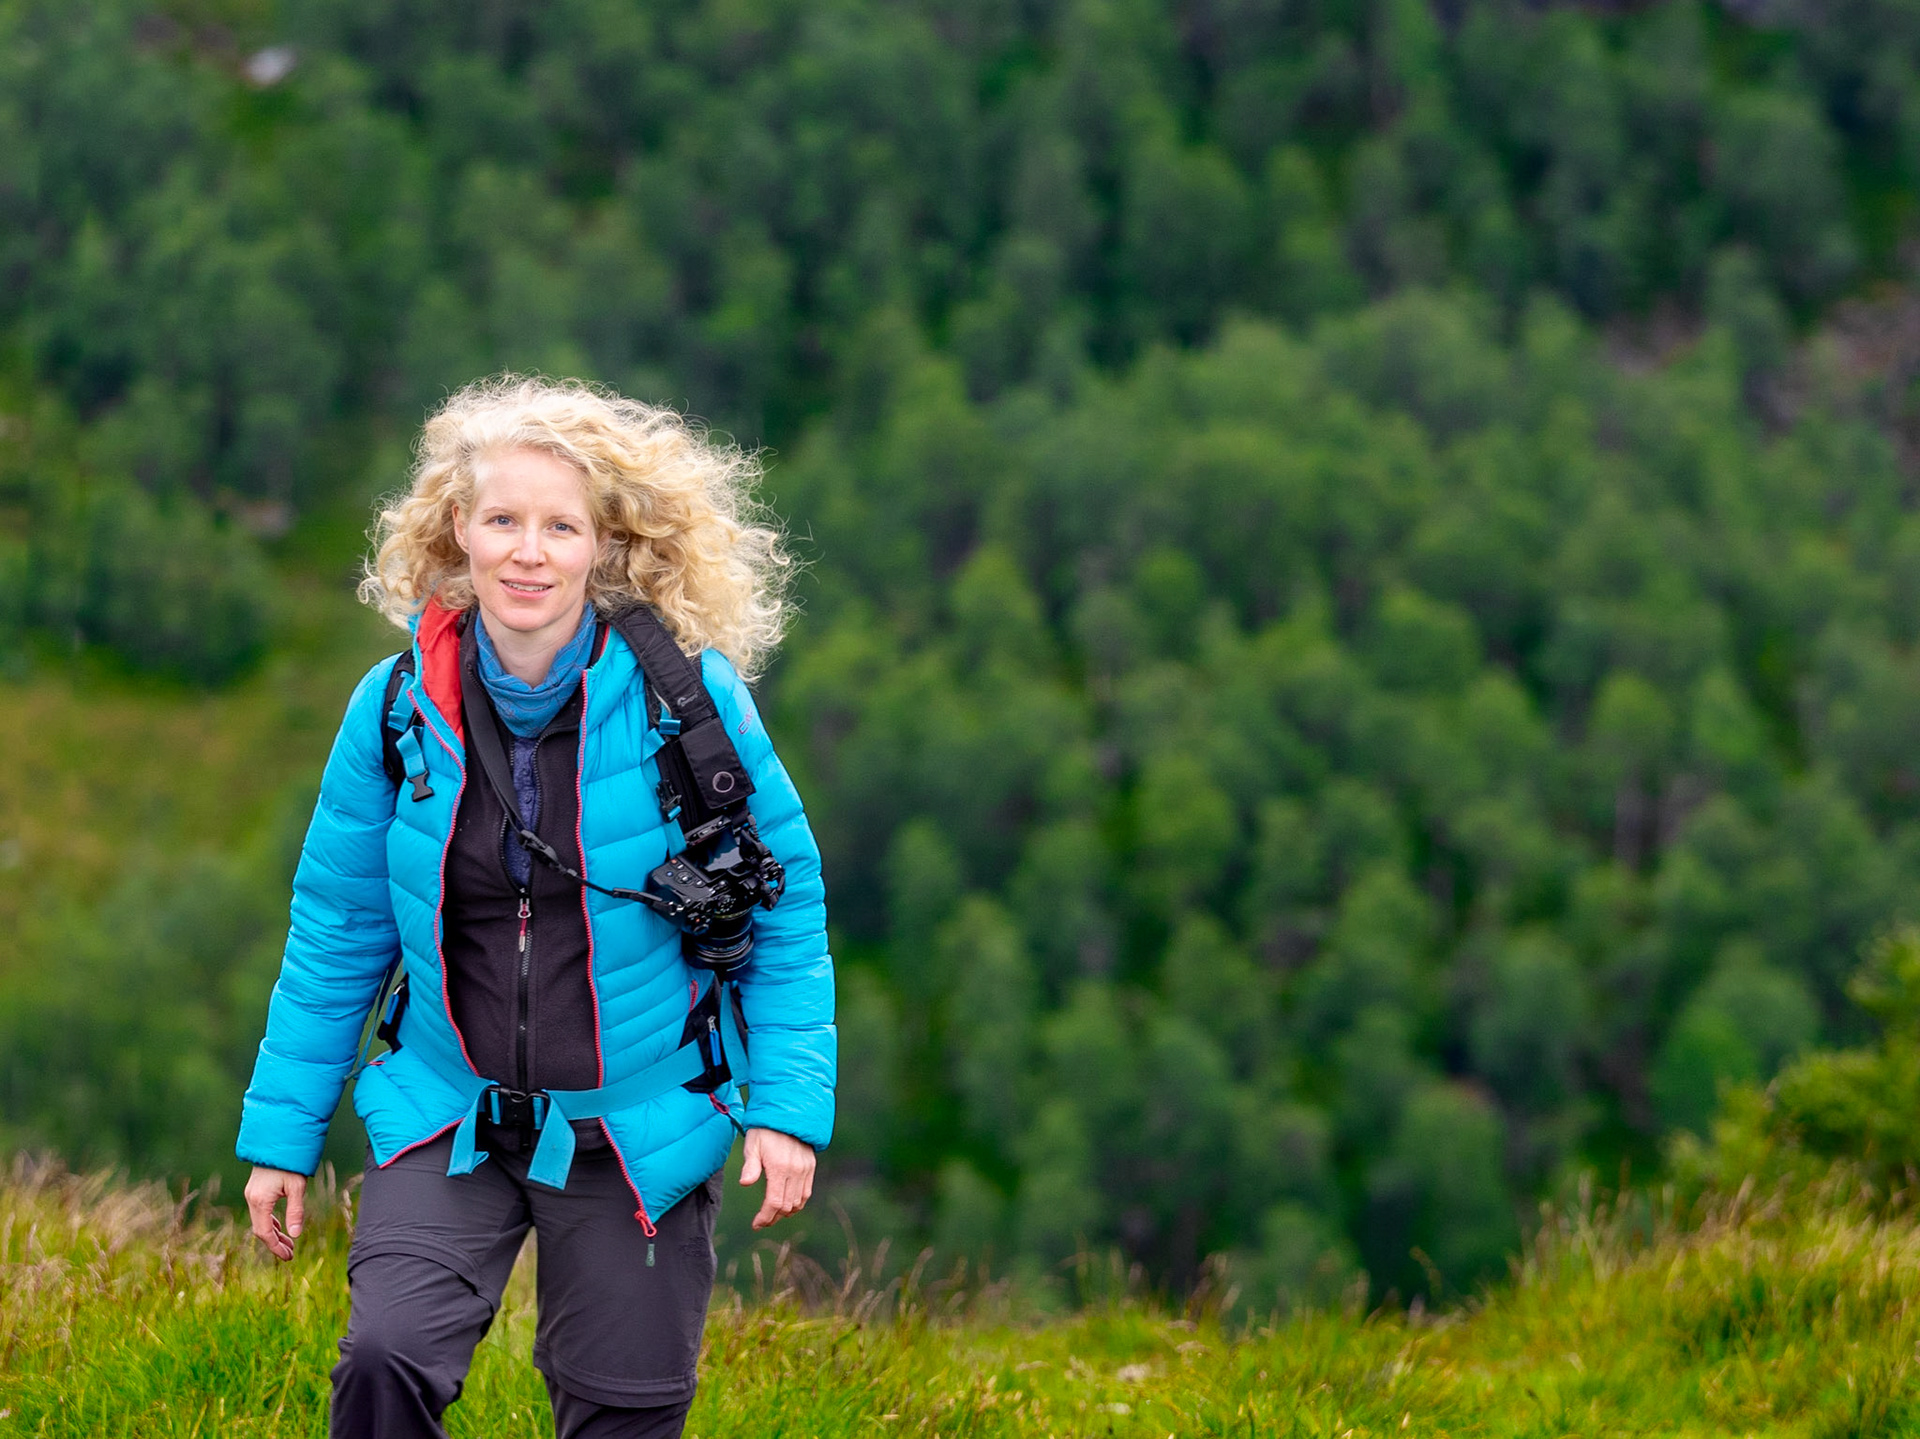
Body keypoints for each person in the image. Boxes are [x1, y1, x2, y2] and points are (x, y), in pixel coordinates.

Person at [234, 375, 835, 1439]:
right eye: (502, 519)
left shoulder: (689, 703)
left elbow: (786, 905)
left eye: (560, 525)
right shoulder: (393, 709)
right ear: (456, 528)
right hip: (446, 1107)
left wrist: (787, 1106)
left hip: (638, 1122)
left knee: (625, 1409)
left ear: (603, 543)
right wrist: (282, 1134)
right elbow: (337, 929)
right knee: (383, 1361)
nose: (527, 551)